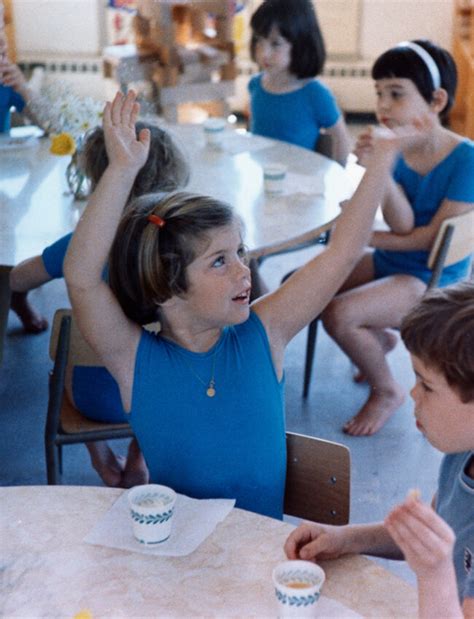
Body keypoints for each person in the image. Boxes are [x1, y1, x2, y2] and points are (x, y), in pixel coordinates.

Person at [63, 89, 429, 518]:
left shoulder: (265, 331)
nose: (244, 271)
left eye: (240, 252)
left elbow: (343, 252)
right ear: (166, 288)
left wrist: (382, 159)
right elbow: (81, 277)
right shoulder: (132, 359)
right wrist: (121, 171)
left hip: (260, 549)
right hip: (178, 549)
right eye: (219, 261)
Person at [10, 120, 190, 487]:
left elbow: (17, 279)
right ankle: (139, 458)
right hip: (161, 400)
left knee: (63, 360)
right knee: (169, 354)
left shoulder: (80, 245)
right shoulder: (179, 251)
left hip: (90, 399)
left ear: (96, 175)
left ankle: (100, 456)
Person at [285, 281, 474, 618]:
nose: (413, 394)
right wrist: (345, 539)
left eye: (427, 386)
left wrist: (435, 574)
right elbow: (427, 535)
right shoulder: (463, 453)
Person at [318, 39, 474, 436]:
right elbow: (402, 224)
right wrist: (381, 168)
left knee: (339, 314)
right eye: (379, 93)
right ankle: (378, 339)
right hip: (396, 262)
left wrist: (362, 237)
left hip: (431, 278)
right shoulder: (399, 148)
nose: (383, 105)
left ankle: (387, 390)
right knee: (311, 286)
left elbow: (427, 241)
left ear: (437, 100)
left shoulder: (466, 158)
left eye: (396, 93)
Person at [247, 0, 351, 165]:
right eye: (259, 40)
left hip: (301, 177)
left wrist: (338, 175)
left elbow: (341, 140)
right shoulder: (255, 85)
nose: (264, 53)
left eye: (275, 43)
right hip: (262, 174)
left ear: (301, 42)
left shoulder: (315, 94)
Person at [0, 24, 41, 132]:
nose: (3, 42)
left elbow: (49, 125)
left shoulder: (6, 82)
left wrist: (24, 90)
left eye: (2, 29)